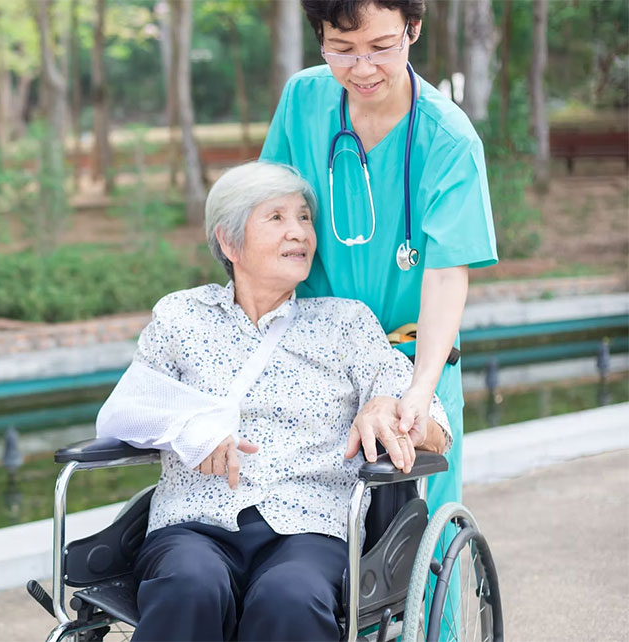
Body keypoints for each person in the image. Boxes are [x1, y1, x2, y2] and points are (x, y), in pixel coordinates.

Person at [96, 161, 451, 641]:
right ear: (229, 241)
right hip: (194, 522)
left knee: (289, 598)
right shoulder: (182, 316)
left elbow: (434, 425)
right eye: (278, 218)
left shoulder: (344, 324)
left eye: (304, 218)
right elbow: (125, 410)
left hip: (310, 527)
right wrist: (193, 429)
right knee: (189, 585)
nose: (299, 233)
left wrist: (386, 409)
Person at [260, 0, 498, 523]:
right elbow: (267, 218)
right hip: (314, 359)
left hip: (412, 358)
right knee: (310, 529)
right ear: (320, 38)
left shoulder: (448, 140)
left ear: (413, 29)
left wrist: (420, 389)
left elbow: (445, 273)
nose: (362, 69)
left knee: (416, 542)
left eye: (381, 47)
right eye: (341, 50)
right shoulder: (303, 100)